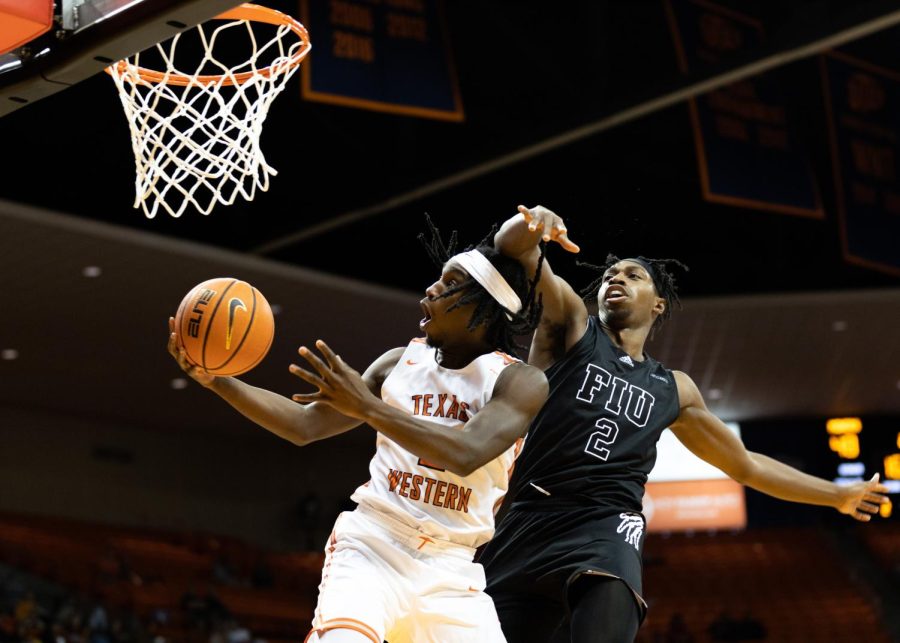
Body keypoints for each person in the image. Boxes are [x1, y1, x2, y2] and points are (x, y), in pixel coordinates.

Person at [477, 205, 891, 643]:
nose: (616, 279)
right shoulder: (570, 327)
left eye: (633, 275)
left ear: (658, 304)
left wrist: (837, 495)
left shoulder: (673, 388)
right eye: (610, 275)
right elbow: (511, 250)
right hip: (525, 519)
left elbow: (746, 465)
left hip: (605, 525)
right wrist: (531, 223)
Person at [167, 219, 549, 643]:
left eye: (450, 283)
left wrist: (368, 407)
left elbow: (465, 452)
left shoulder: (519, 382)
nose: (430, 290)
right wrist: (216, 380)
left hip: (452, 570)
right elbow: (304, 425)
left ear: (484, 305)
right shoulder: (397, 364)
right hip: (375, 545)